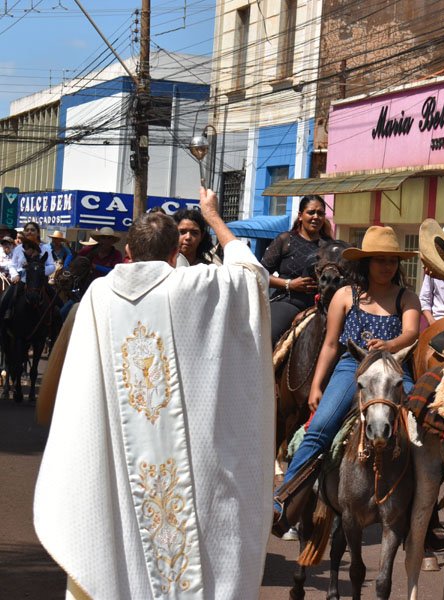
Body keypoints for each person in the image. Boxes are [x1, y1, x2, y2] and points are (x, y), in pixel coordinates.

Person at [33, 188, 275, 599]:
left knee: (120, 530)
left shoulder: (97, 296)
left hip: (117, 459)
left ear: (128, 252)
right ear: (173, 253)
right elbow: (252, 276)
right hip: (190, 466)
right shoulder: (196, 285)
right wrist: (213, 216)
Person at [272, 225, 421, 535]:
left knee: (422, 430)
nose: (387, 266)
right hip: (351, 367)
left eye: (392, 260)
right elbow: (330, 344)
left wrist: (390, 345)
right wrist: (317, 385)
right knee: (320, 428)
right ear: (366, 262)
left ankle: (425, 516)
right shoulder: (345, 295)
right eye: (379, 260)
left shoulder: (406, 297)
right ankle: (283, 499)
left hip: (393, 369)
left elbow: (411, 332)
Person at [261, 195, 333, 346]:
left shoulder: (330, 246)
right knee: (267, 337)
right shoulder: (285, 240)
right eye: (311, 212)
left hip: (322, 307)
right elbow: (259, 274)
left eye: (320, 213)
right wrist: (289, 284)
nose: (316, 217)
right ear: (300, 216)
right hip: (288, 302)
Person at [1, 221, 55, 321]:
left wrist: (39, 271)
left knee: (56, 302)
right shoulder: (18, 249)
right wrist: (15, 274)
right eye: (27, 230)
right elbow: (12, 265)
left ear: (38, 233)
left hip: (40, 281)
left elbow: (52, 266)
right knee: (5, 300)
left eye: (32, 230)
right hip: (21, 279)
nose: (29, 232)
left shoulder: (46, 248)